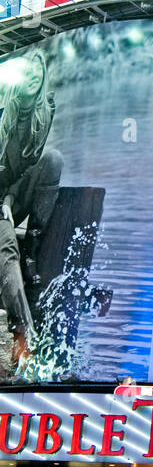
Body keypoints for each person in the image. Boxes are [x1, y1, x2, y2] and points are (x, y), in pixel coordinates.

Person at [0, 50, 64, 371]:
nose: (36, 76)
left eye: (40, 71)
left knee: (53, 158)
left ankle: (34, 247)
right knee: (5, 246)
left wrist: (10, 199)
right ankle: (23, 331)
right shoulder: (2, 111)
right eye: (30, 71)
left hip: (12, 195)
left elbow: (30, 165)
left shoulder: (44, 112)